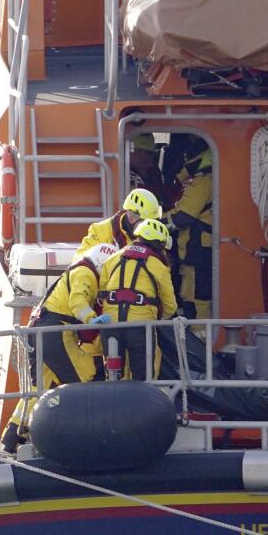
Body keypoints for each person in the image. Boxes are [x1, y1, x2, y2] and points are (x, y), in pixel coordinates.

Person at [2, 243, 117, 453]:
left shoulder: (76, 270)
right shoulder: (85, 273)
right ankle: (83, 437)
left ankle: (12, 437)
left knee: (41, 389)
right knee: (87, 376)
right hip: (56, 332)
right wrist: (92, 319)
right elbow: (78, 302)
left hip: (41, 331)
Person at [98, 218, 178, 381]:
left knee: (113, 375)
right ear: (159, 244)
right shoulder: (159, 266)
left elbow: (102, 291)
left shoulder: (112, 258)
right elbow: (171, 305)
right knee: (144, 377)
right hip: (140, 326)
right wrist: (160, 320)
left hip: (110, 325)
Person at [165, 136, 213, 319]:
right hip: (197, 249)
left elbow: (183, 217)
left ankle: (199, 341)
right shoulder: (205, 179)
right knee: (192, 295)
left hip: (198, 250)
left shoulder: (202, 181)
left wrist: (151, 221)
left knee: (195, 298)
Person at [74, 188, 161, 260]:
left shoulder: (155, 234)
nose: (150, 226)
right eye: (145, 222)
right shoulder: (100, 230)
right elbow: (80, 261)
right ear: (131, 216)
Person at [129, 133, 183, 211]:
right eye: (149, 153)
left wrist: (180, 184)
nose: (153, 157)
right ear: (135, 152)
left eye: (152, 153)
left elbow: (166, 198)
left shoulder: (153, 172)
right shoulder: (127, 177)